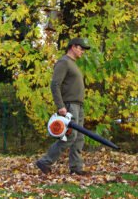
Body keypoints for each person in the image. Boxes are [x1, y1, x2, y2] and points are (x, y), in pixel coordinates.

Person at [36, 38, 90, 175]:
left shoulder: (73, 64)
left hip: (78, 106)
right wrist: (60, 106)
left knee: (79, 138)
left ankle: (76, 168)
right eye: (81, 48)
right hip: (69, 106)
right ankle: (45, 161)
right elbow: (55, 85)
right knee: (70, 137)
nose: (82, 51)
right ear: (72, 47)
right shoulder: (63, 62)